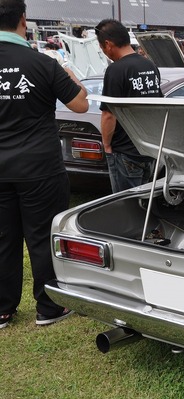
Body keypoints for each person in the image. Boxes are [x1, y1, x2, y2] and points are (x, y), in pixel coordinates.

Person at [0, 0, 88, 328]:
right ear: (23, 19)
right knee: (40, 235)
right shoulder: (42, 63)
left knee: (3, 237)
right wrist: (69, 75)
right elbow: (81, 104)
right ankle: (48, 307)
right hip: (38, 166)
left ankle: (3, 309)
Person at [95, 19, 162, 193]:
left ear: (108, 44)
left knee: (125, 206)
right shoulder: (150, 65)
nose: (104, 52)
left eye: (102, 48)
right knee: (144, 202)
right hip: (149, 149)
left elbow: (109, 114)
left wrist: (106, 145)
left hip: (125, 151)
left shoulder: (116, 70)